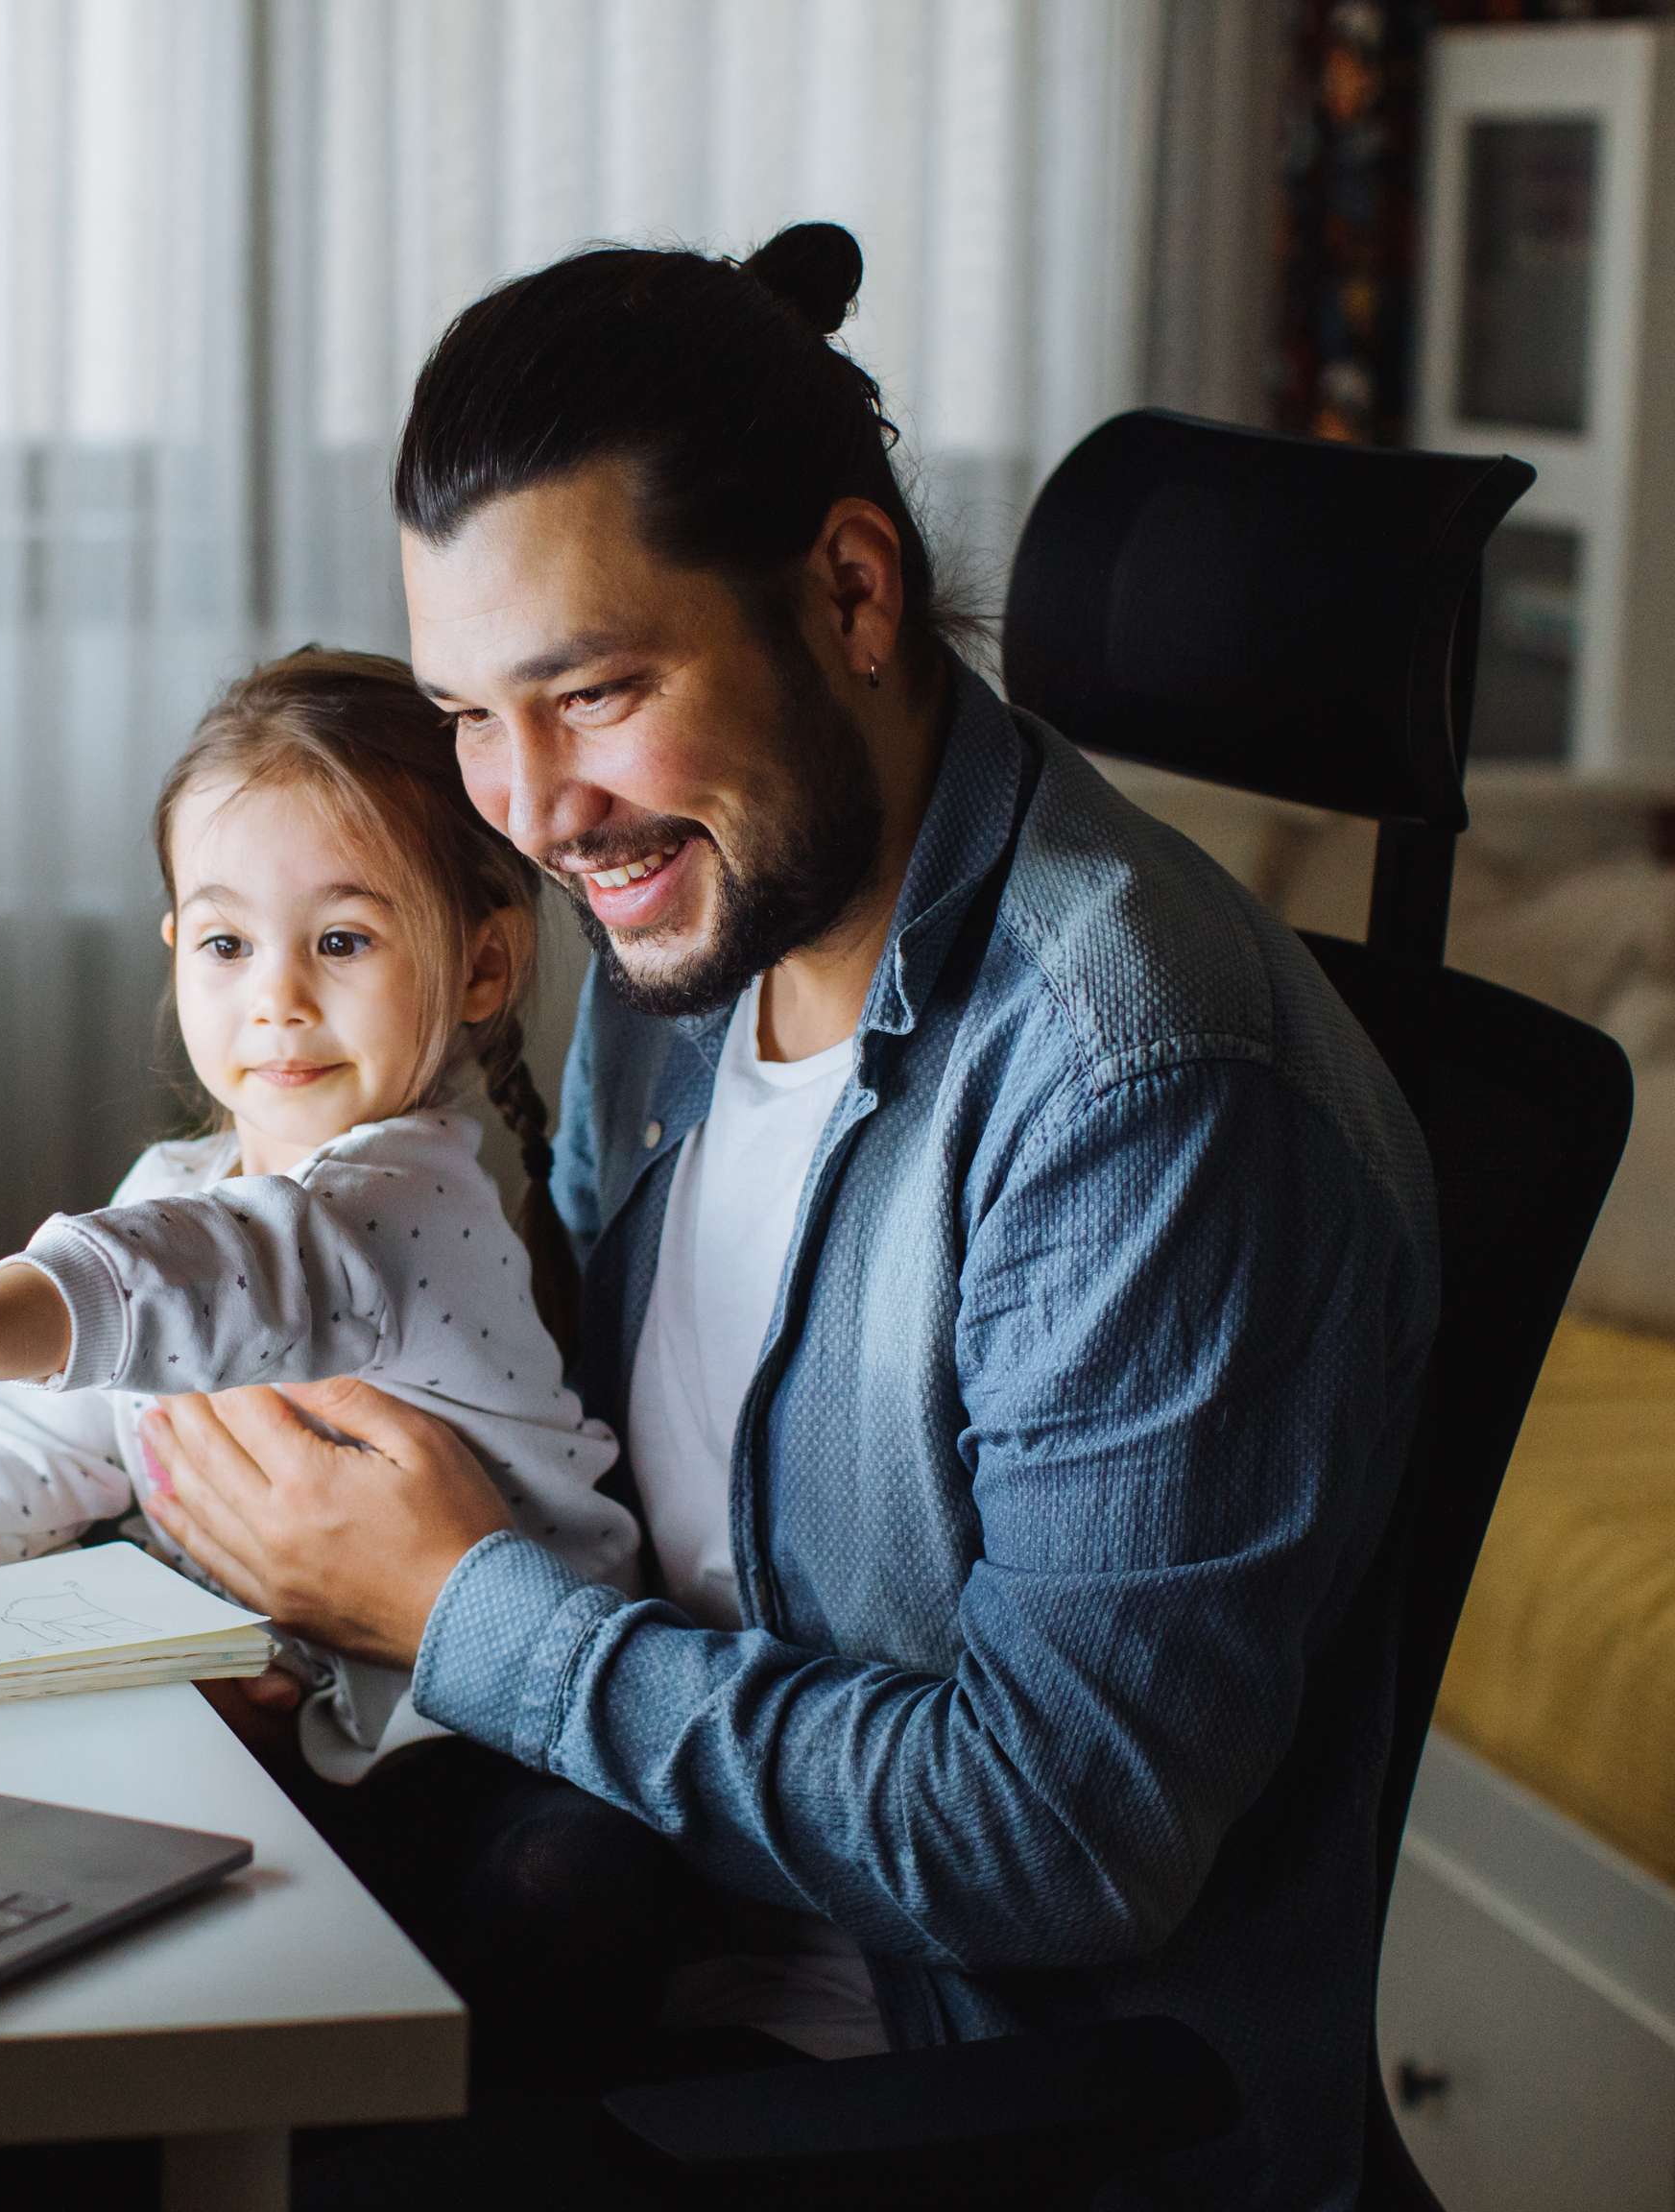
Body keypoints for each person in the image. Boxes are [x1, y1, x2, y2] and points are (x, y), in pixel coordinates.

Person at [132, 223, 1439, 2209]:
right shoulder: (694, 941)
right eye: (474, 713)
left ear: (847, 590)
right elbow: (552, 1421)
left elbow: (1055, 1837)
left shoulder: (1141, 1086)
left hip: (904, 2103)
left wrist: (454, 1611)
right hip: (603, 1906)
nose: (531, 809)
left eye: (594, 692)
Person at [0, 652, 679, 2064]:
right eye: (228, 943)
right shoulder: (179, 1182)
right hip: (305, 1719)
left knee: (568, 1884)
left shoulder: (400, 1203)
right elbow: (34, 1449)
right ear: (174, 947)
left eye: (346, 941)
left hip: (489, 1753)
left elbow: (210, 1272)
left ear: (485, 960)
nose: (278, 1002)